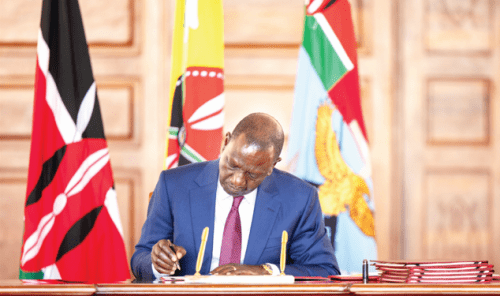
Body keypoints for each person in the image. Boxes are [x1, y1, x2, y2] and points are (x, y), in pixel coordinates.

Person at [131, 113, 340, 280]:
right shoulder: (174, 185)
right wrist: (156, 264)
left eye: (252, 174)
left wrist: (264, 272)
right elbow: (140, 259)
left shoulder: (300, 198)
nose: (238, 181)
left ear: (272, 165)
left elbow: (324, 270)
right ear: (225, 143)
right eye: (233, 165)